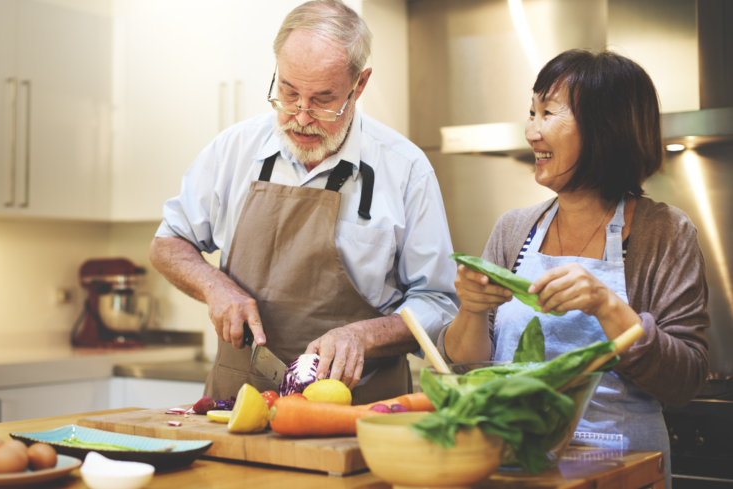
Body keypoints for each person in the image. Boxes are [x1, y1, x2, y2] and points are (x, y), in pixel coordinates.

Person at [150, 0, 458, 404]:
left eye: (323, 99)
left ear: (359, 85)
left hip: (361, 412)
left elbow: (438, 301)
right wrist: (215, 287)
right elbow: (168, 243)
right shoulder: (233, 150)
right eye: (288, 91)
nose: (302, 115)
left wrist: (364, 336)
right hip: (239, 405)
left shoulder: (406, 169)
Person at [438, 49, 709, 487]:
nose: (531, 131)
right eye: (531, 112)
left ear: (606, 128)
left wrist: (606, 304)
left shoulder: (666, 232)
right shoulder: (514, 229)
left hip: (620, 465)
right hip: (515, 462)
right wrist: (470, 309)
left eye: (548, 112)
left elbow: (685, 380)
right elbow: (471, 366)